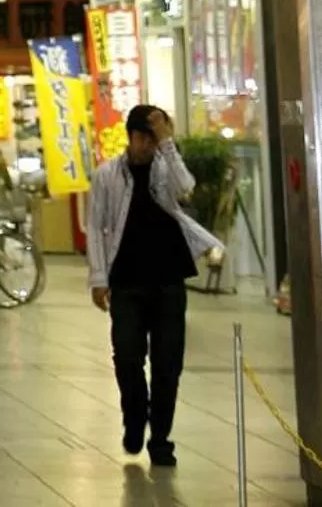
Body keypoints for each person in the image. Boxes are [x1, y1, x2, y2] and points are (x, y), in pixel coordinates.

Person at [88, 105, 221, 467]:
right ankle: (135, 418)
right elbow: (96, 228)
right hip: (126, 281)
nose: (149, 144)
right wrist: (99, 279)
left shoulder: (166, 168)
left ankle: (160, 439)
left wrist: (167, 144)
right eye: (145, 136)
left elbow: (186, 188)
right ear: (131, 137)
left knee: (168, 364)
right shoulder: (107, 175)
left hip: (168, 279)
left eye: (156, 137)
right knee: (127, 358)